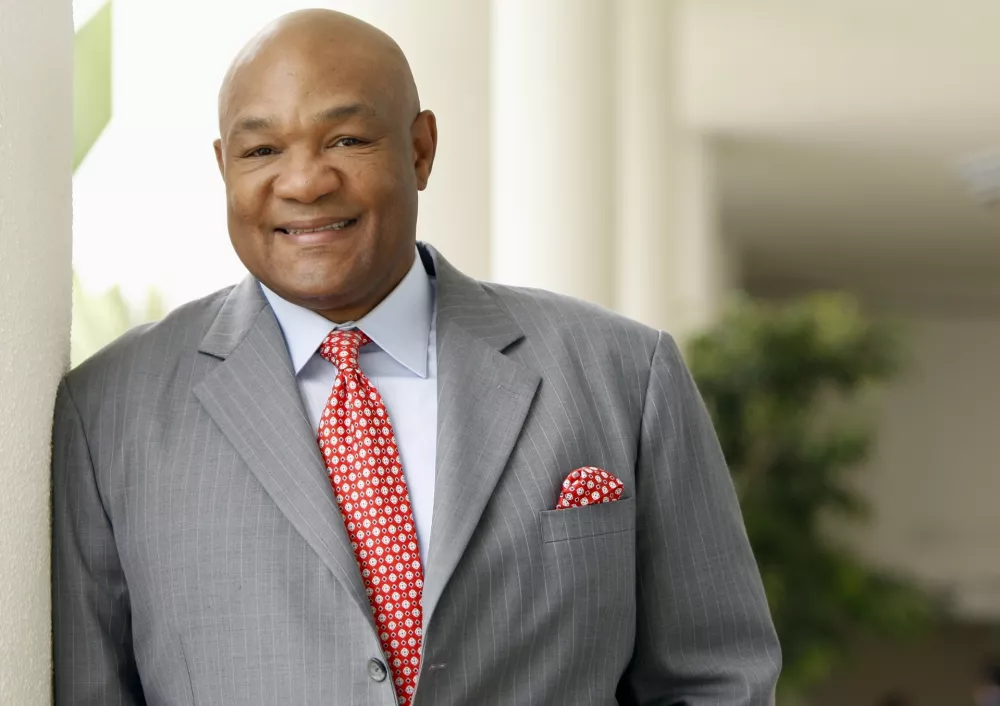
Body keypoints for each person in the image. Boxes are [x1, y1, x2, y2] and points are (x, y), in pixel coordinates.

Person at [51, 9, 780, 705]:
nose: (304, 181)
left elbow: (718, 679)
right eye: (262, 150)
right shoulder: (108, 413)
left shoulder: (624, 373)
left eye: (346, 141)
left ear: (421, 149)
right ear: (223, 167)